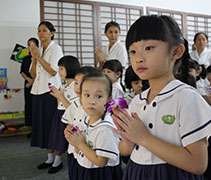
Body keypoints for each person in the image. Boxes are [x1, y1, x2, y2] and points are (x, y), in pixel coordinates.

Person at [112, 15, 211, 180]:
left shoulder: (186, 98)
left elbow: (198, 164)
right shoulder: (137, 101)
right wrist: (128, 140)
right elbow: (125, 151)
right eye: (133, 51)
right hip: (136, 173)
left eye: (149, 48)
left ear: (176, 51)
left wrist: (143, 137)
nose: (138, 58)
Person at [65, 72, 122, 180]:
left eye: (99, 96)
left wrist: (80, 144)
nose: (91, 101)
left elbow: (101, 161)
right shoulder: (87, 120)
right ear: (80, 98)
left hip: (99, 173)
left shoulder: (105, 128)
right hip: (87, 167)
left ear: (108, 100)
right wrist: (74, 140)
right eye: (87, 95)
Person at [29, 21, 63, 169]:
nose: (41, 33)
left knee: (52, 125)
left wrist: (38, 56)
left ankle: (58, 159)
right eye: (39, 31)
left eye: (44, 30)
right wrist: (35, 58)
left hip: (50, 92)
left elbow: (53, 71)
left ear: (52, 32)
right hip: (37, 91)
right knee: (42, 126)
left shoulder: (56, 49)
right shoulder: (39, 49)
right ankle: (49, 158)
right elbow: (32, 74)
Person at [39, 55, 80, 174]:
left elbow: (73, 108)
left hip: (68, 115)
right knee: (54, 136)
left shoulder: (75, 87)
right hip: (59, 112)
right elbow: (60, 104)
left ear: (70, 68)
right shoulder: (65, 85)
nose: (59, 71)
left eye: (62, 68)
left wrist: (60, 96)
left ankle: (57, 161)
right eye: (59, 68)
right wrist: (58, 95)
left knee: (60, 139)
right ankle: (50, 159)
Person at [62, 66, 99, 180]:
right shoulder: (74, 104)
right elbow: (69, 122)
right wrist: (68, 131)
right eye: (76, 83)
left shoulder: (96, 106)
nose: (77, 87)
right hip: (74, 151)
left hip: (90, 153)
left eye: (82, 83)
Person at [20, 37, 39, 133]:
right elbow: (22, 72)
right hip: (28, 84)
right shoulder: (26, 58)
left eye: (32, 45)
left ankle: (37, 127)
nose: (30, 47)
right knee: (28, 104)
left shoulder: (40, 57)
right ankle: (28, 125)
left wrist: (33, 81)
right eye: (28, 45)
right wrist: (29, 80)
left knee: (37, 105)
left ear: (37, 46)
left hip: (38, 84)